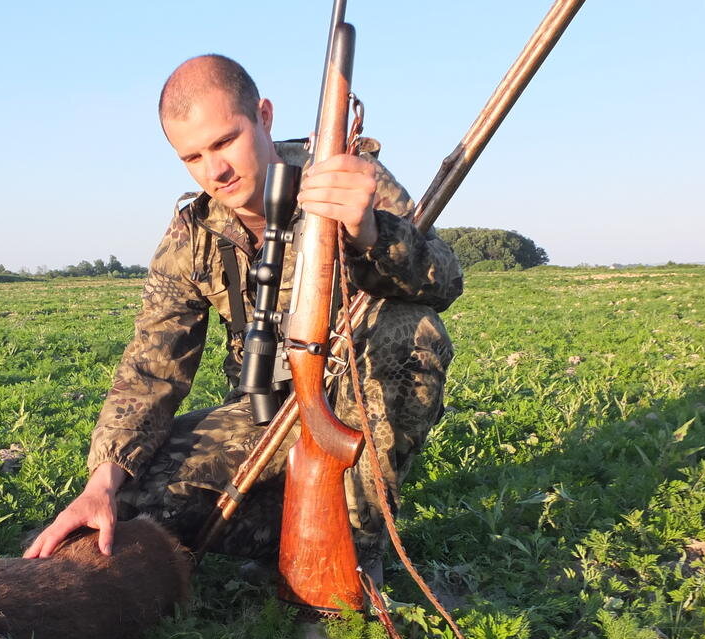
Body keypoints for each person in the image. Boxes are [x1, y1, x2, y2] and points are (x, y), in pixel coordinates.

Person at [24, 54, 461, 585]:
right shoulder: (193, 232)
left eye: (225, 141)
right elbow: (152, 367)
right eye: (193, 157)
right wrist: (102, 483)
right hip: (263, 414)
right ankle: (290, 523)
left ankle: (355, 548)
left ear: (265, 116)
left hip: (352, 401)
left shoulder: (341, 176)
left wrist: (370, 233)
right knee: (135, 499)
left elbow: (443, 282)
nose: (216, 170)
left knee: (411, 332)